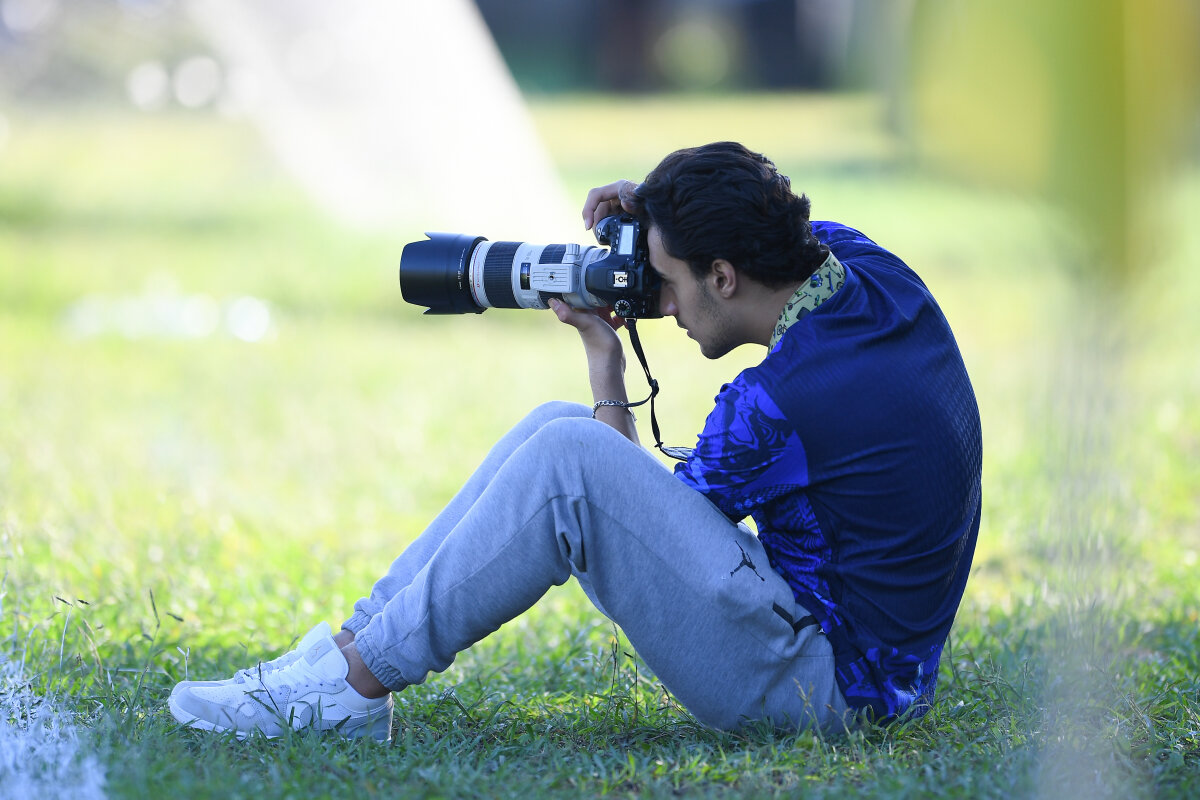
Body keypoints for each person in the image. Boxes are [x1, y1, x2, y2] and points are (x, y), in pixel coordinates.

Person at [169, 142, 982, 741]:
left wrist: (604, 358)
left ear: (723, 276)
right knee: (558, 427)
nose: (661, 304)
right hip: (874, 662)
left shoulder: (778, 402)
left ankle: (349, 686)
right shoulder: (863, 265)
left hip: (830, 696)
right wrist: (655, 211)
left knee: (571, 455)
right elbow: (660, 518)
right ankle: (347, 656)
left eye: (667, 281)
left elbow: (630, 529)